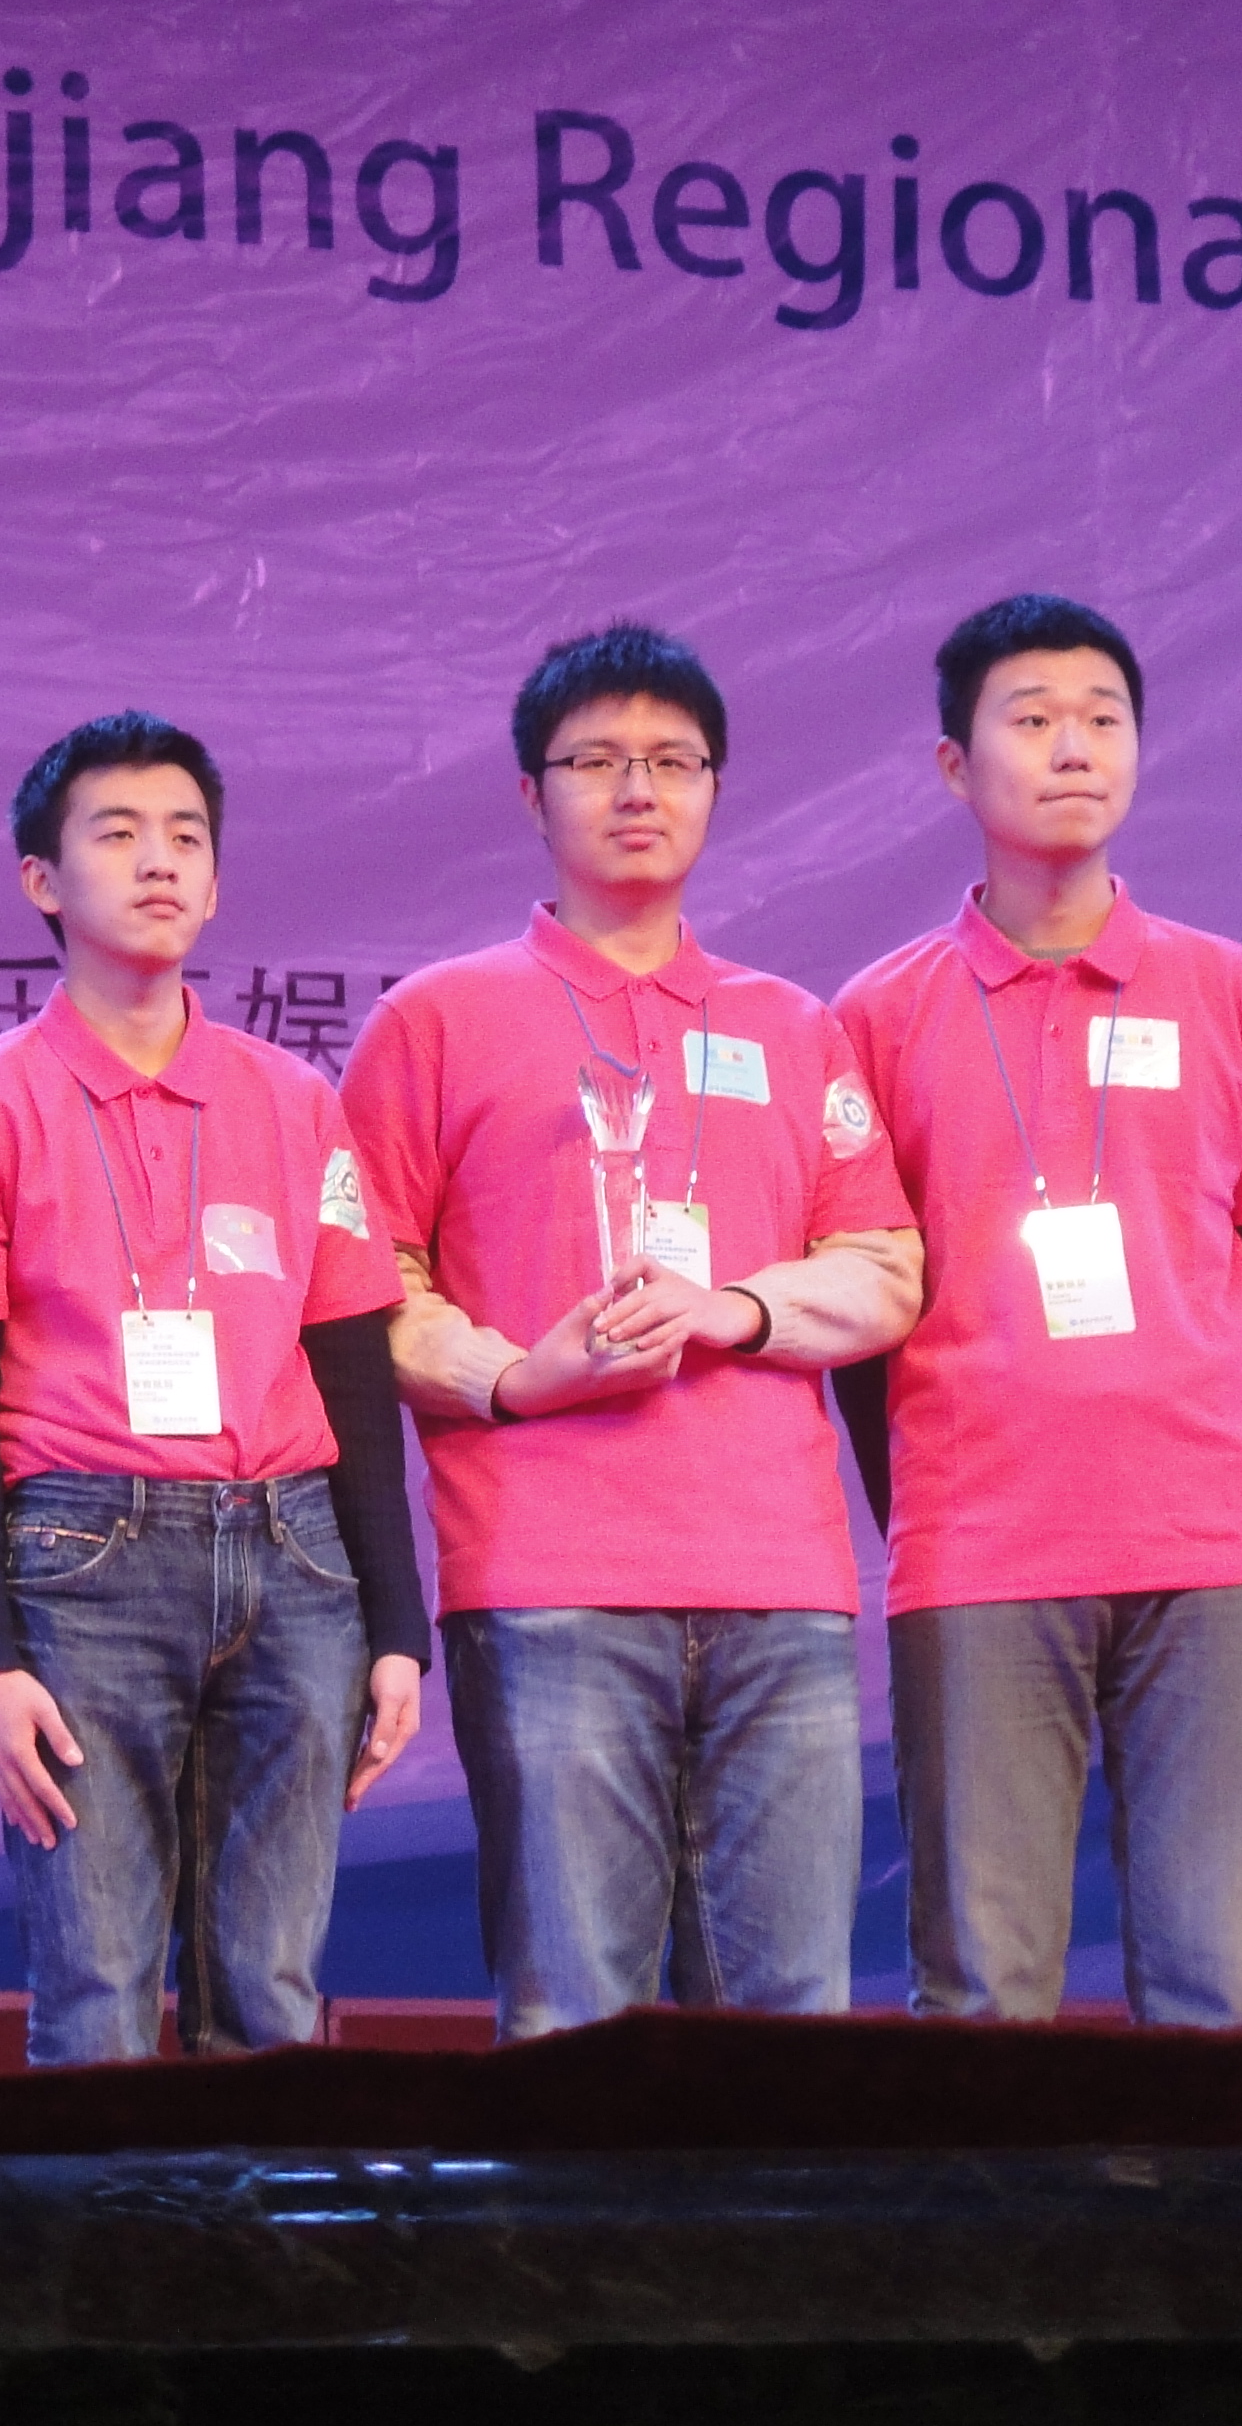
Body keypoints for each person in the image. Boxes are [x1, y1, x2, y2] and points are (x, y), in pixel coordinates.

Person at [338, 625, 922, 2042]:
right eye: (597, 760)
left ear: (715, 787)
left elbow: (886, 1270)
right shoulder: (436, 1019)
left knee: (787, 2021)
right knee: (572, 2019)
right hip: (549, 1580)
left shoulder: (791, 1026)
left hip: (780, 1583)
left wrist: (738, 1309)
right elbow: (363, 1291)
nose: (639, 788)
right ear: (529, 794)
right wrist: (519, 1377)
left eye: (673, 760)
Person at [830, 593, 1242, 2031]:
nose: (1074, 747)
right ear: (956, 765)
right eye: (1033, 719)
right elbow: (862, 1317)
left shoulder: (1236, 992)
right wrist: (941, 1489)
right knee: (982, 1995)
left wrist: (1181, 1424)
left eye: (1104, 718)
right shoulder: (875, 1019)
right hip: (980, 1546)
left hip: (1213, 1547)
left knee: (1221, 1990)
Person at [0, 715, 427, 2066]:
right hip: (84, 1559)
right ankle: (110, 2219)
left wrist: (396, 1626)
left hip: (296, 1557)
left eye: (187, 837)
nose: (159, 862)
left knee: (273, 1998)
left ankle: (258, 2221)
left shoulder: (294, 1099)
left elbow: (353, 1374)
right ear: (41, 878)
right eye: (119, 833)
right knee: (98, 1997)